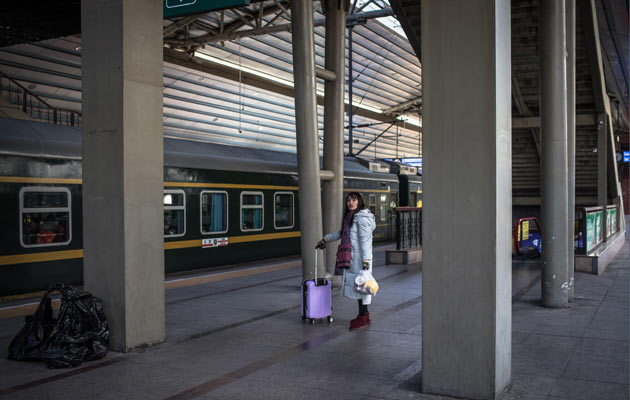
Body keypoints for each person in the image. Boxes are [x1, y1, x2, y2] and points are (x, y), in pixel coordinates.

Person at [317, 192, 376, 331]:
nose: (351, 202)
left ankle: (362, 317)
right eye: (349, 200)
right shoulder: (351, 217)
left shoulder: (361, 219)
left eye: (354, 200)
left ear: (359, 202)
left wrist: (366, 264)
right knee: (361, 287)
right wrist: (326, 239)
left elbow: (365, 242)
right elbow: (341, 233)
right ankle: (365, 315)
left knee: (361, 287)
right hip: (353, 258)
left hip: (360, 260)